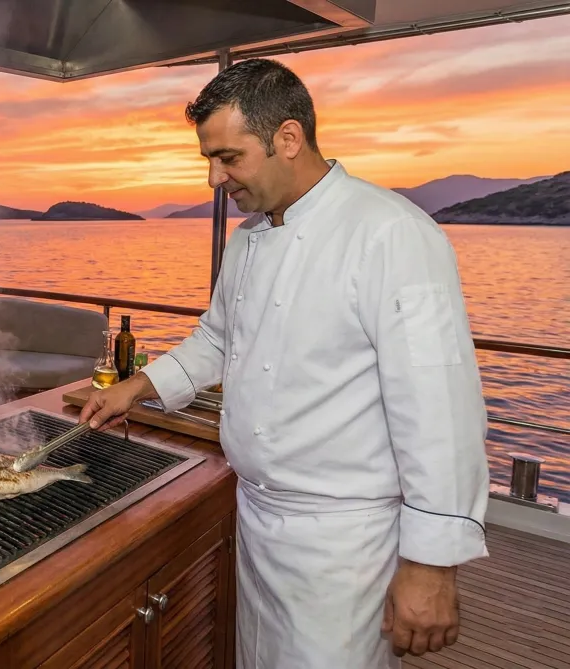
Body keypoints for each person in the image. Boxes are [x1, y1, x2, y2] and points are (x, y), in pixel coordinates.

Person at [79, 58, 489, 668]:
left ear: (288, 138)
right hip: (257, 520)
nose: (215, 178)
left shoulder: (391, 234)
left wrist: (430, 566)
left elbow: (441, 411)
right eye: (208, 161)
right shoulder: (245, 240)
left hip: (342, 544)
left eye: (228, 157)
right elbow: (217, 339)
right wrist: (134, 387)